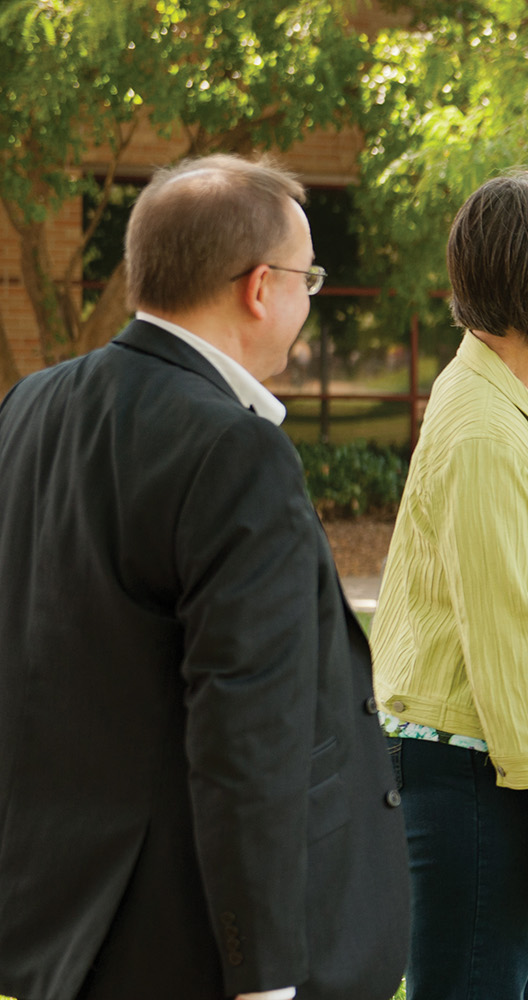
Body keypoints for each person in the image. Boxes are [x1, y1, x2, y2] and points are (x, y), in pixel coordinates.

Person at [0, 155, 408, 1000]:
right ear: (261, 287)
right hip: (188, 945)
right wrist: (262, 977)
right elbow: (248, 725)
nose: (308, 298)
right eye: (309, 277)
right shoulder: (236, 448)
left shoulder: (27, 405)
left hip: (57, 928)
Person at [369, 169, 528, 1000]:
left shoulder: (516, 406)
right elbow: (505, 637)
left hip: (502, 769)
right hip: (476, 776)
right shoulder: (486, 431)